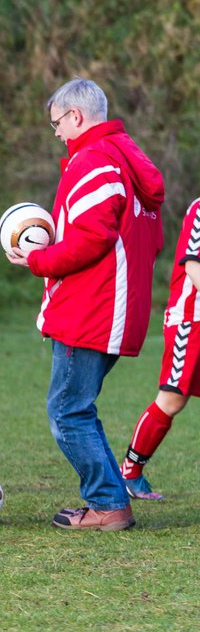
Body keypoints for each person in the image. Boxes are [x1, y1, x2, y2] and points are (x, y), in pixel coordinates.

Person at [5, 77, 164, 531]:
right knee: (78, 409)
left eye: (57, 123)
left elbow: (92, 239)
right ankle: (110, 499)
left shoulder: (92, 160)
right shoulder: (127, 159)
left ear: (76, 116)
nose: (56, 132)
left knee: (67, 412)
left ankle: (109, 506)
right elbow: (148, 242)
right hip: (117, 309)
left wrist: (37, 259)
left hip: (90, 310)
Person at [119, 196, 200, 500]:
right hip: (191, 320)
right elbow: (193, 265)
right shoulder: (199, 208)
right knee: (172, 399)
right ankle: (130, 470)